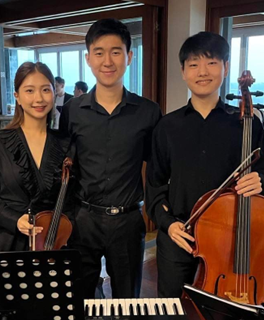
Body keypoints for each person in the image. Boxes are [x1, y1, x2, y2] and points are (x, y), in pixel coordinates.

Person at [145, 32, 264, 298]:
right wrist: (168, 224)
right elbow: (155, 184)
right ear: (183, 72)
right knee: (172, 308)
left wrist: (261, 180)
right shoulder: (167, 126)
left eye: (211, 63)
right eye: (194, 64)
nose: (202, 72)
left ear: (225, 67)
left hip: (229, 239)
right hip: (179, 233)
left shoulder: (245, 122)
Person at [60, 18, 162, 298]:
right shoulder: (71, 111)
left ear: (129, 57)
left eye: (116, 52)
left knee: (127, 300)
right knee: (82, 299)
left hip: (128, 221)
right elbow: (65, 166)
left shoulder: (149, 112)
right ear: (88, 58)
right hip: (83, 220)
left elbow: (156, 169)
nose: (108, 61)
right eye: (99, 52)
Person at [0, 62, 72, 252]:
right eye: (29, 91)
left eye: (45, 89)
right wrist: (14, 219)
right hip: (10, 243)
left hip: (55, 244)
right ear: (17, 97)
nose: (39, 98)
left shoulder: (65, 144)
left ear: (54, 93)